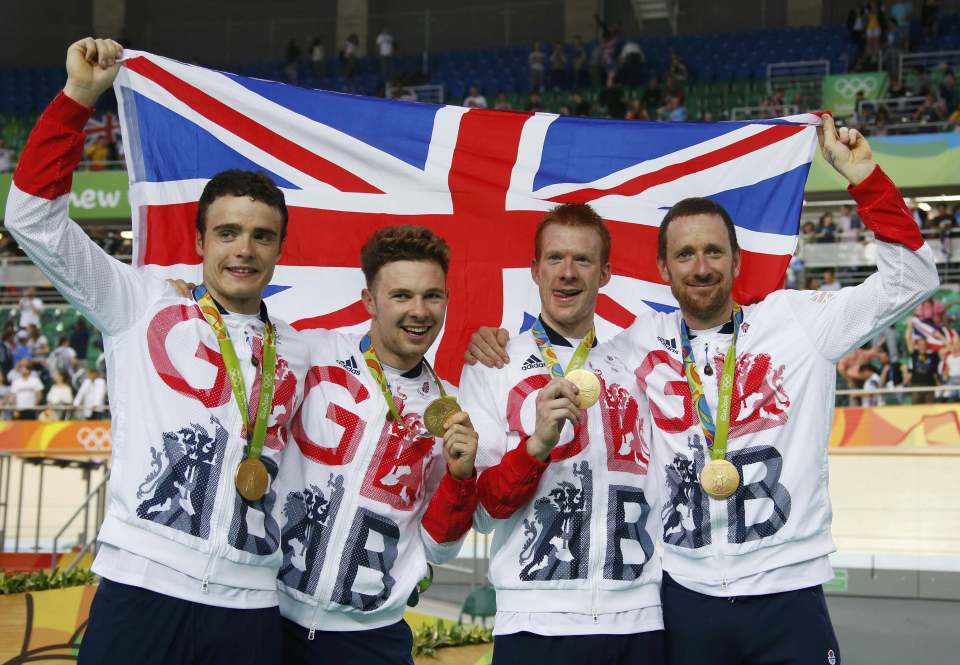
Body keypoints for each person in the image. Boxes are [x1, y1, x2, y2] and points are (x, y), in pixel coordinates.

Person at [467, 113, 939, 665]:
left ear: (737, 261)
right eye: (685, 255)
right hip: (685, 600)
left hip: (786, 594)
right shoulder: (635, 346)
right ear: (663, 269)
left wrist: (865, 180)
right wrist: (491, 339)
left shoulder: (799, 323)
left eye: (714, 252)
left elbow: (912, 280)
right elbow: (562, 337)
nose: (701, 267)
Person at [4, 38, 312, 665]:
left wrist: (481, 339)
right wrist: (78, 99)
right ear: (199, 240)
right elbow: (32, 219)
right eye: (227, 233)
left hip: (250, 605)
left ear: (279, 251)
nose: (244, 249)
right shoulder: (138, 303)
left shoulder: (304, 350)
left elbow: (398, 346)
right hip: (141, 588)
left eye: (261, 236)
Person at [459, 204, 664, 664]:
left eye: (583, 260)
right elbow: (481, 510)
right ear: (534, 270)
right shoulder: (495, 363)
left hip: (639, 620)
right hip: (536, 622)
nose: (567, 273)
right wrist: (534, 448)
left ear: (606, 273)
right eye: (554, 259)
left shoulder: (637, 363)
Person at [277, 225, 478, 664]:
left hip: (371, 640)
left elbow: (439, 546)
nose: (420, 311)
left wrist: (460, 480)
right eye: (401, 295)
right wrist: (189, 296)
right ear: (369, 300)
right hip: (267, 619)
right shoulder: (311, 352)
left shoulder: (450, 411)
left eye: (433, 296)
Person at [904, 336, 940, 404]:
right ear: (917, 346)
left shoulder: (933, 355)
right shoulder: (914, 354)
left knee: (930, 408)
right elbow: (908, 338)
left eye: (924, 344)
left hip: (930, 385)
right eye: (920, 344)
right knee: (916, 407)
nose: (922, 346)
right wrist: (910, 325)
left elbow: (935, 373)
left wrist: (937, 382)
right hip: (916, 385)